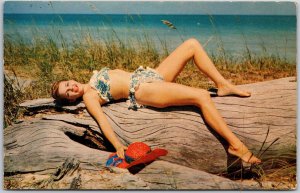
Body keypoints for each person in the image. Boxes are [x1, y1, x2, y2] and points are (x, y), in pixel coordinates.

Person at [51, 38, 261, 164]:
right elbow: (101, 121)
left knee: (192, 44)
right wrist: (117, 145)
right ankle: (236, 146)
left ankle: (223, 84)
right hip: (143, 90)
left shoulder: (91, 78)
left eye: (68, 84)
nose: (71, 88)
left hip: (150, 76)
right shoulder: (89, 96)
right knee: (201, 95)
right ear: (70, 100)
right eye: (68, 93)